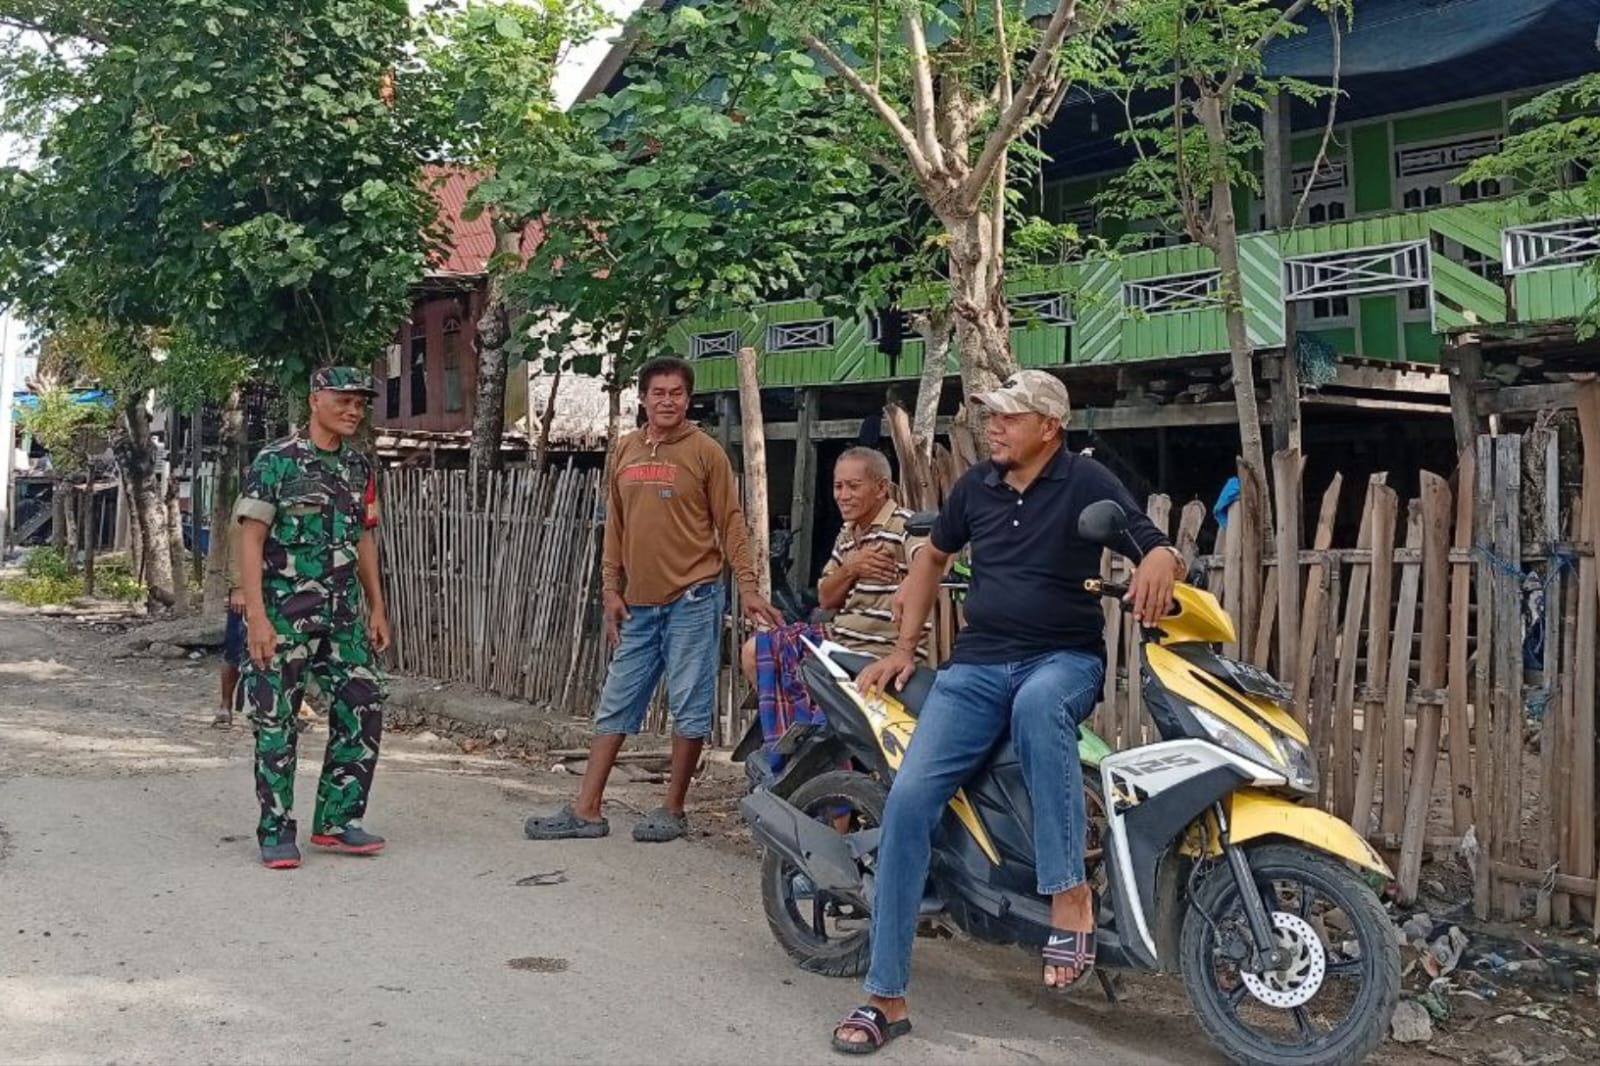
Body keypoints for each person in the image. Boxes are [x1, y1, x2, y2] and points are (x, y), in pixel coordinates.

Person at [830, 370, 1185, 1054]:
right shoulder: (976, 488)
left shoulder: (1086, 482)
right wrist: (904, 647)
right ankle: (885, 998)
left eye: (1008, 417)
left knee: (1039, 705)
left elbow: (1152, 540)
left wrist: (1161, 560)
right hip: (976, 668)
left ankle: (1068, 894)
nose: (992, 426)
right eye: (990, 415)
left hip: (1063, 661)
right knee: (907, 803)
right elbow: (932, 556)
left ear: (1049, 427)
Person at [525, 357, 783, 844]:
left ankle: (673, 808)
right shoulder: (625, 449)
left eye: (676, 393)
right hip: (638, 604)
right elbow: (616, 525)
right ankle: (586, 810)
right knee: (616, 701)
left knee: (689, 703)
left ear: (688, 399)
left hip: (694, 597)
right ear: (642, 399)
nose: (667, 401)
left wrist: (748, 587)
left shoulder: (706, 452)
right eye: (658, 393)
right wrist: (610, 588)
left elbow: (731, 521)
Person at [234, 367, 392, 870]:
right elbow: (251, 538)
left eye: (359, 404)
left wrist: (377, 606)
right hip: (284, 615)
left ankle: (338, 819)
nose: (353, 411)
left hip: (343, 616)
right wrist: (256, 617)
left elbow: (364, 537)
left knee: (364, 702)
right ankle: (276, 830)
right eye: (343, 401)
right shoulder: (276, 461)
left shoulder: (358, 467)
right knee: (277, 720)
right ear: (315, 400)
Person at [738, 447, 929, 774]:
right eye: (838, 486)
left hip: (879, 649)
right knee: (756, 650)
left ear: (881, 487)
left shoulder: (904, 525)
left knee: (800, 678)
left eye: (853, 486)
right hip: (840, 639)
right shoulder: (848, 532)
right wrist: (850, 568)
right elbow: (826, 599)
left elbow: (932, 559)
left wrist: (912, 581)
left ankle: (821, 768)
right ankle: (791, 747)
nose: (843, 495)